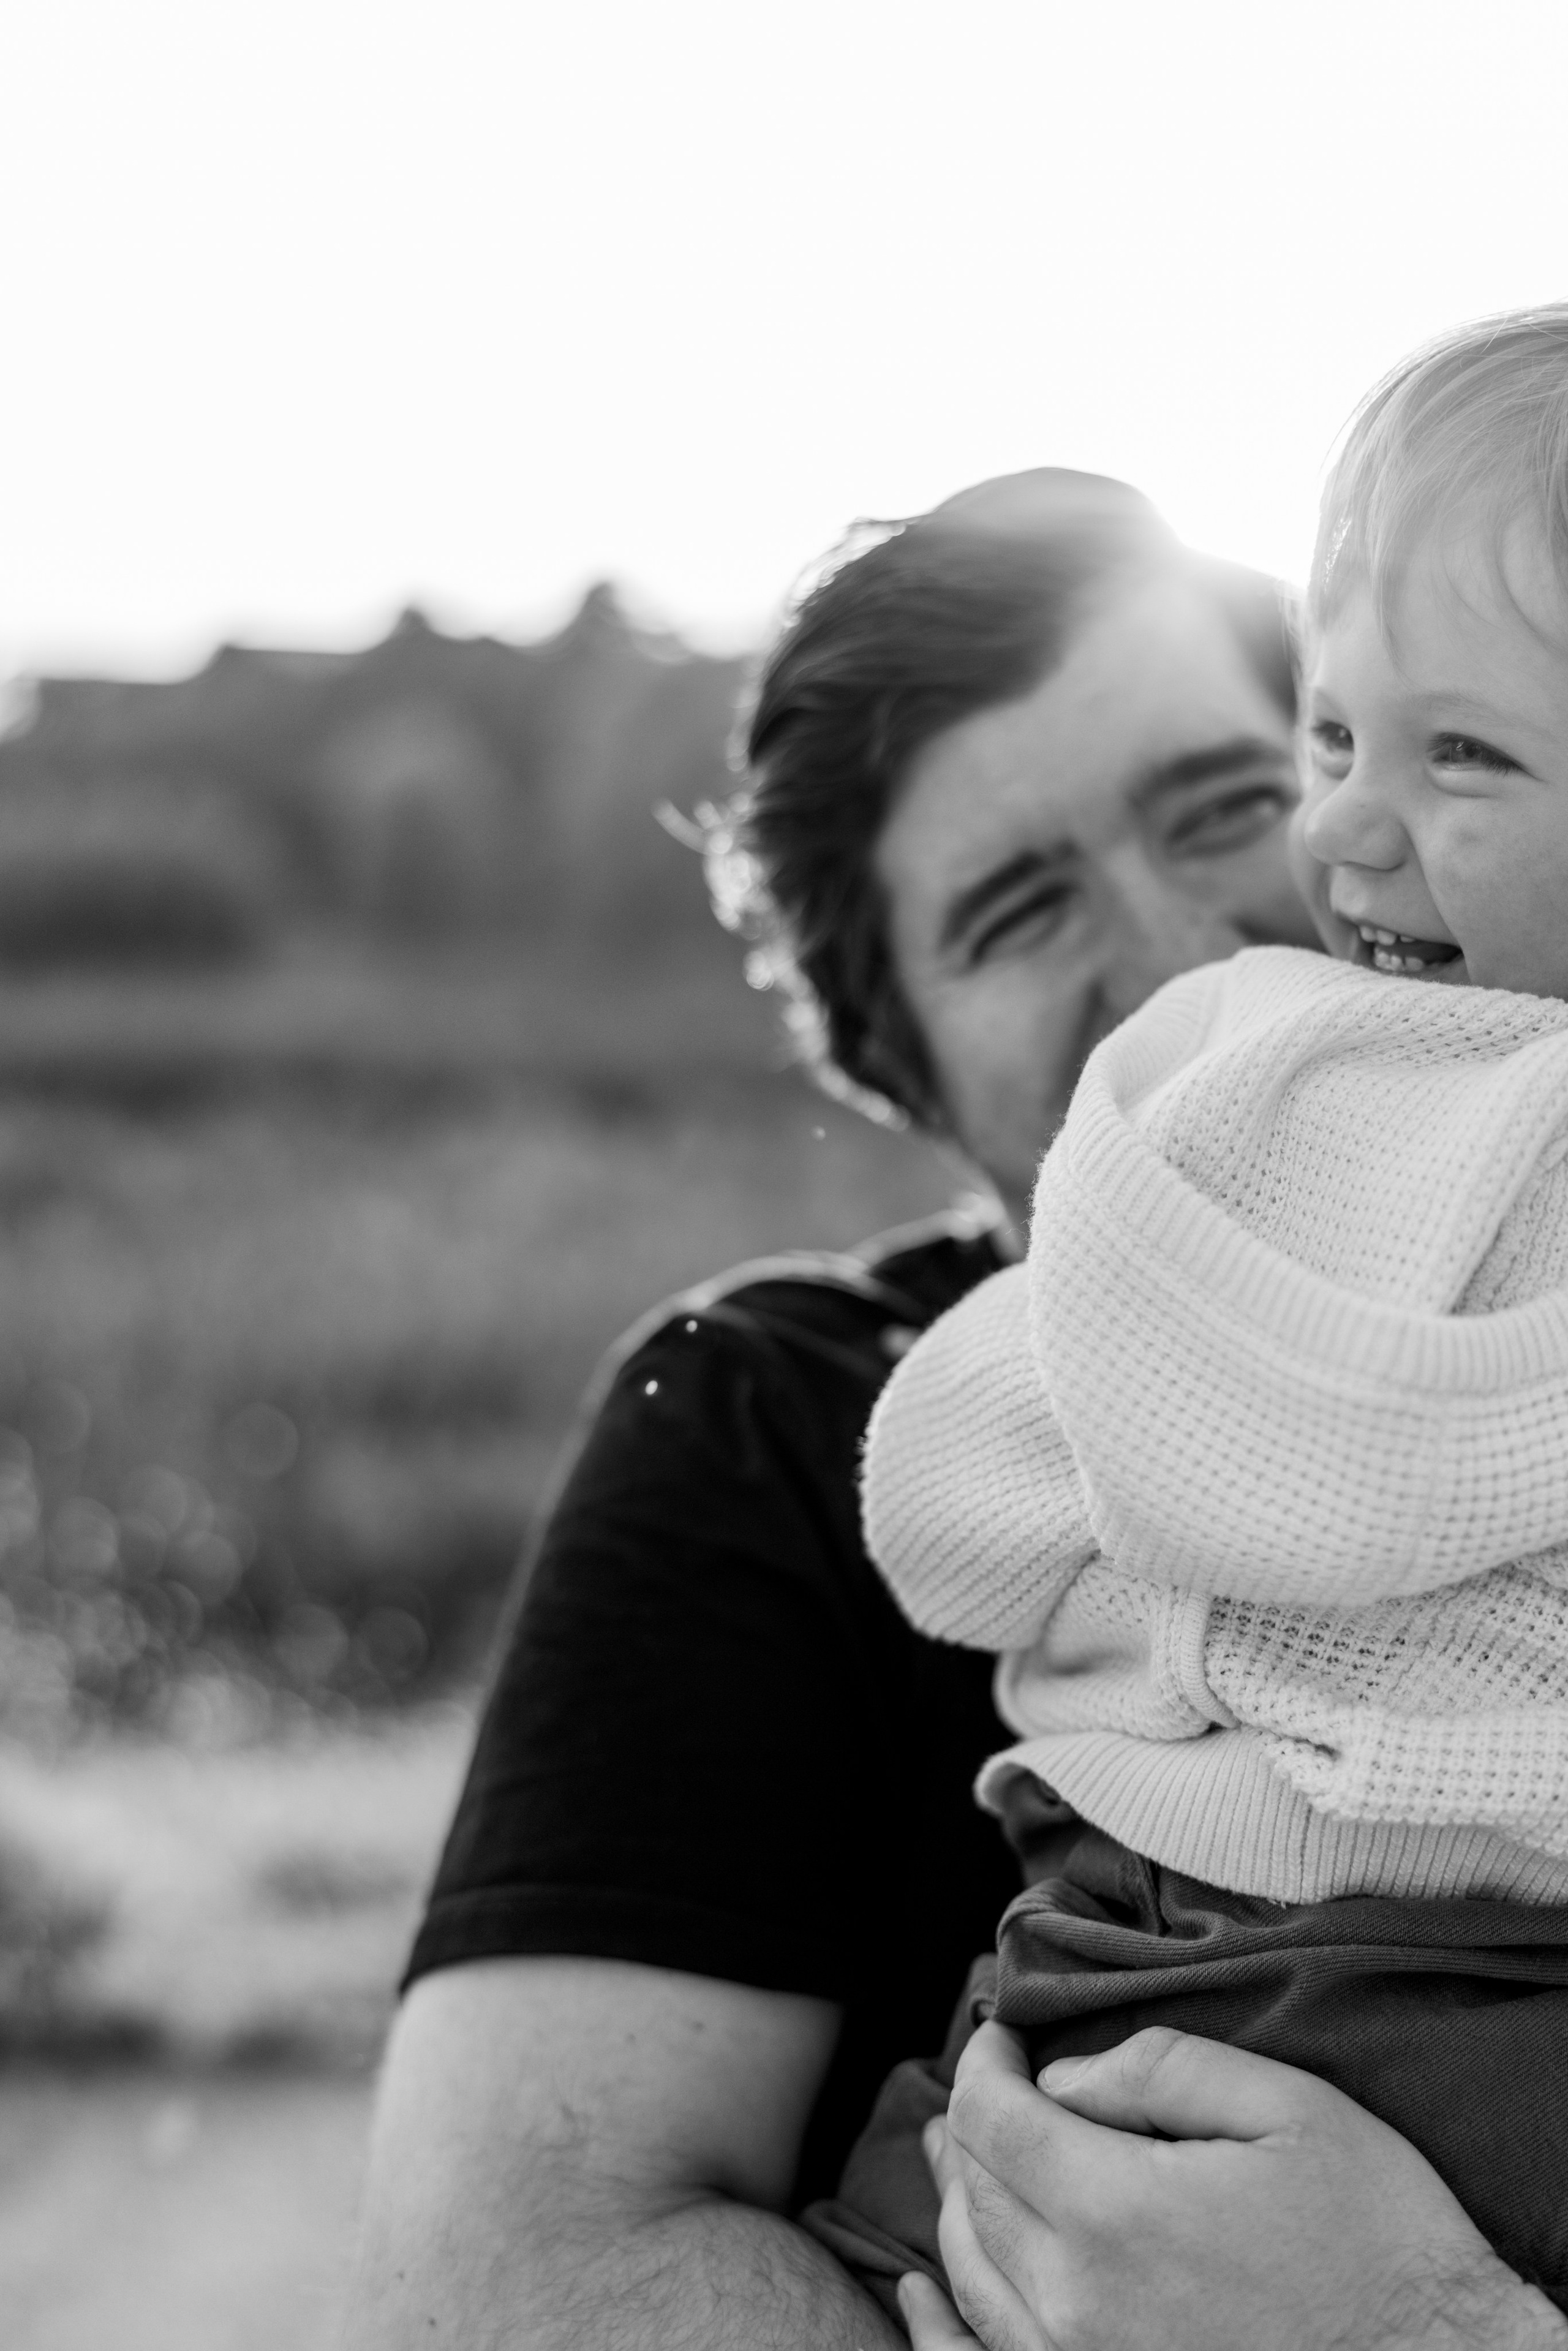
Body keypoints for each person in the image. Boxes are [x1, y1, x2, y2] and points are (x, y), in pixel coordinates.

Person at [342, 464, 1550, 2350]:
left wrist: (1428, 2332)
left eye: (1220, 803)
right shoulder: (770, 1421)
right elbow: (506, 2289)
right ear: (903, 1069)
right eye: (1015, 911)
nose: (1182, 951)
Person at [824, 308, 1568, 2334]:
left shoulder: (1275, 1085)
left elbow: (956, 1504)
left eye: (1465, 754)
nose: (1340, 832)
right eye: (1331, 740)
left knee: (934, 2226)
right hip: (1442, 2023)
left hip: (1188, 1972)